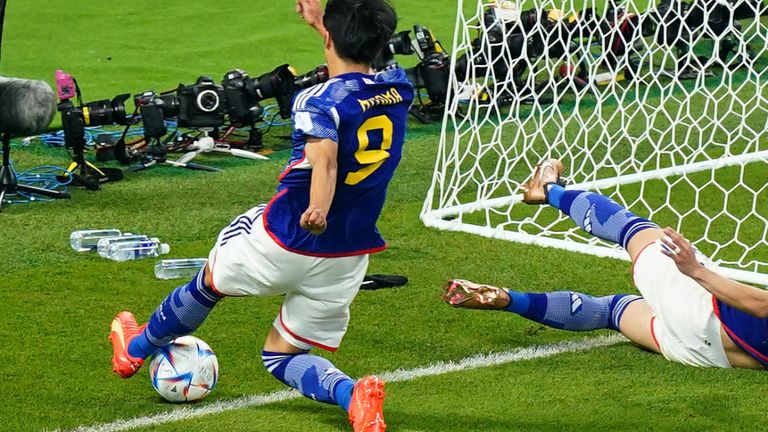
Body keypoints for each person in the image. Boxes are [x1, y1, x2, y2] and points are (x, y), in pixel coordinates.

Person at [109, 0, 413, 430]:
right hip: (349, 253)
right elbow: (361, 64)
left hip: (288, 235)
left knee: (211, 281)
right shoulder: (400, 89)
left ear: (330, 35)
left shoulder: (315, 100)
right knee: (280, 355)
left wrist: (317, 209)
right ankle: (353, 396)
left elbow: (324, 161)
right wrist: (321, 24)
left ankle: (134, 350)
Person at [443, 159, 768, 370]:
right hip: (706, 355)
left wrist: (696, 271)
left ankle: (549, 190)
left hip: (706, 314)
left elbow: (761, 305)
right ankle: (509, 300)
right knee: (612, 312)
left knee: (635, 232)